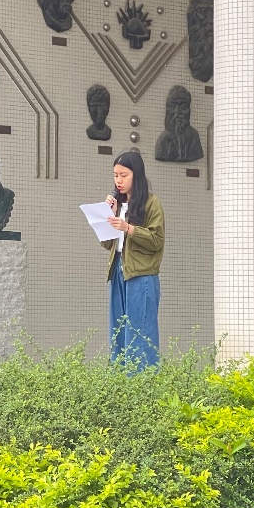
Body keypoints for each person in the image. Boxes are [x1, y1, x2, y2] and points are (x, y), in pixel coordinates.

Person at [102, 152, 165, 367]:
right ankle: (120, 380)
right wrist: (109, 215)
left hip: (142, 275)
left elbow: (157, 240)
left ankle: (142, 380)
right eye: (115, 175)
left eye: (123, 175)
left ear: (136, 175)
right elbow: (107, 244)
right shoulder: (118, 205)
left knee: (140, 331)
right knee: (118, 330)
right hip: (118, 270)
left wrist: (128, 228)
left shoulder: (151, 203)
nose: (118, 181)